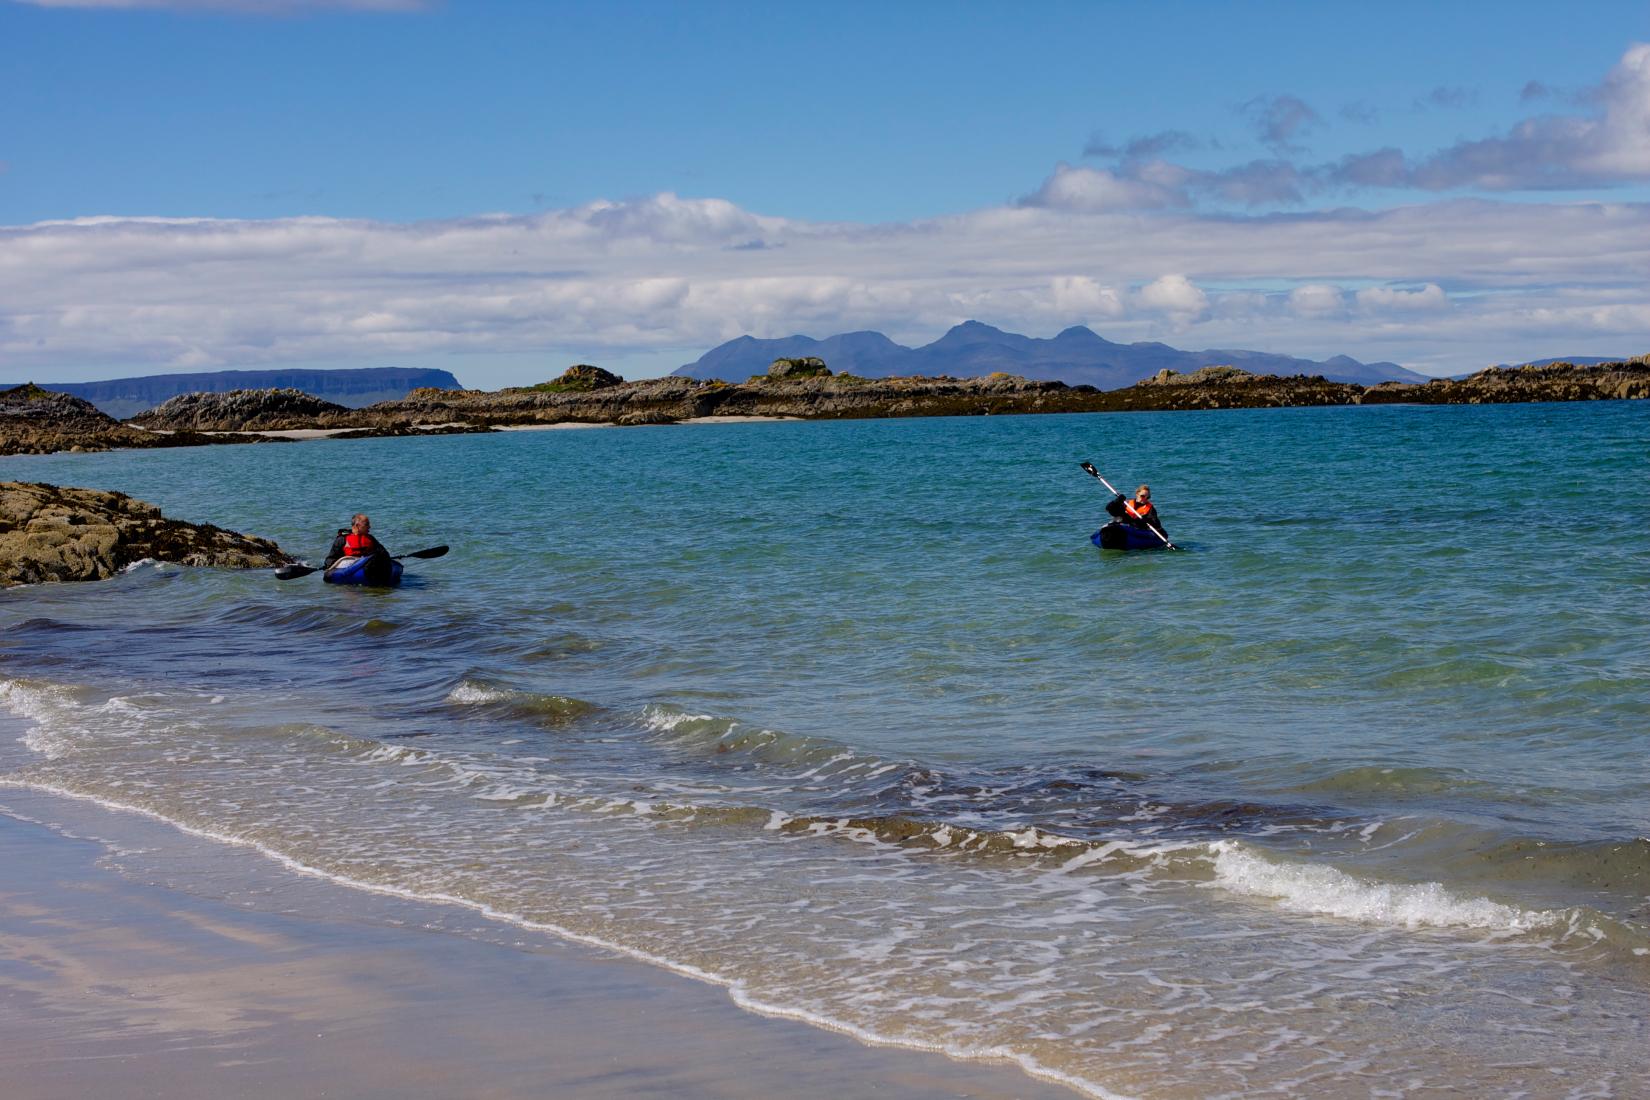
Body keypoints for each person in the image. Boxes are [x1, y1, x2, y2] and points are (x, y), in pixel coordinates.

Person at [324, 513, 391, 569]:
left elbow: (384, 553)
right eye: (366, 524)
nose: (369, 527)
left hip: (368, 566)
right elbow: (330, 560)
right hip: (351, 568)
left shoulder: (371, 539)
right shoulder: (342, 540)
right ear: (357, 526)